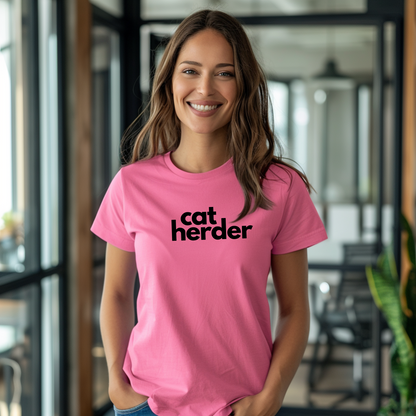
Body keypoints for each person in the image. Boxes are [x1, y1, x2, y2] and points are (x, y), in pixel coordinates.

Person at [91, 9, 327, 416]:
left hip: (243, 406)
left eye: (224, 73)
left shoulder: (279, 186)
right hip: (147, 406)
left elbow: (294, 310)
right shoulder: (132, 185)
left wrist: (271, 395)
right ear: (169, 81)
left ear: (243, 85)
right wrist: (116, 379)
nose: (205, 88)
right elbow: (115, 293)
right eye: (190, 70)